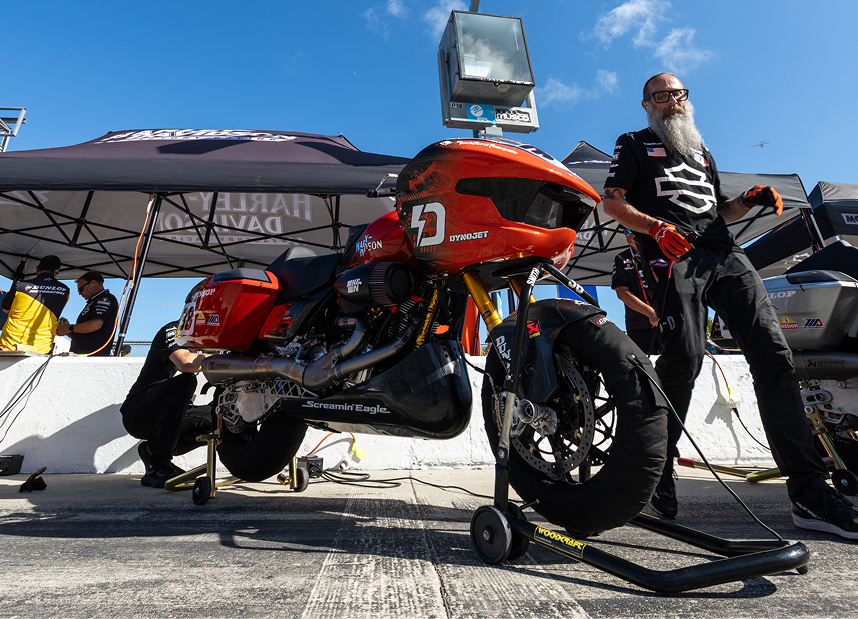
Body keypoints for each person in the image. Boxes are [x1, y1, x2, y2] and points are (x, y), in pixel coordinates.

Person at [602, 72, 858, 539]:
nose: (672, 102)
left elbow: (719, 211)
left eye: (679, 94)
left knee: (775, 356)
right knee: (685, 358)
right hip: (670, 254)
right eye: (661, 96)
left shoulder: (701, 151)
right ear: (646, 105)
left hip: (725, 253)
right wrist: (655, 228)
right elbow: (612, 203)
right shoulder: (633, 143)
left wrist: (748, 200)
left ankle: (808, 492)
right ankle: (656, 466)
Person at [120, 321, 212, 488]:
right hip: (138, 413)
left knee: (221, 417)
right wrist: (224, 358)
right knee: (185, 381)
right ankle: (158, 466)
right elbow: (186, 363)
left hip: (171, 415)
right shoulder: (173, 330)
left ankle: (153, 450)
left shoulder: (215, 336)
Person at [611, 230, 676, 354]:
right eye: (625, 231)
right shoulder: (621, 258)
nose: (628, 234)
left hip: (668, 322)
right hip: (638, 325)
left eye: (632, 230)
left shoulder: (661, 253)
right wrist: (650, 313)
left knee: (674, 365)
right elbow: (622, 292)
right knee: (644, 368)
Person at [0, 256, 70, 354]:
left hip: (10, 344)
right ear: (57, 271)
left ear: (37, 268)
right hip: (42, 348)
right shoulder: (65, 290)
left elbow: (5, 309)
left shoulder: (20, 286)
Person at [56, 270, 119, 356]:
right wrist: (65, 330)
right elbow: (86, 333)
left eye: (81, 289)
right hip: (83, 354)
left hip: (93, 355)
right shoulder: (93, 301)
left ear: (93, 283)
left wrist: (69, 328)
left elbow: (95, 325)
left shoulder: (105, 298)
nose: (80, 293)